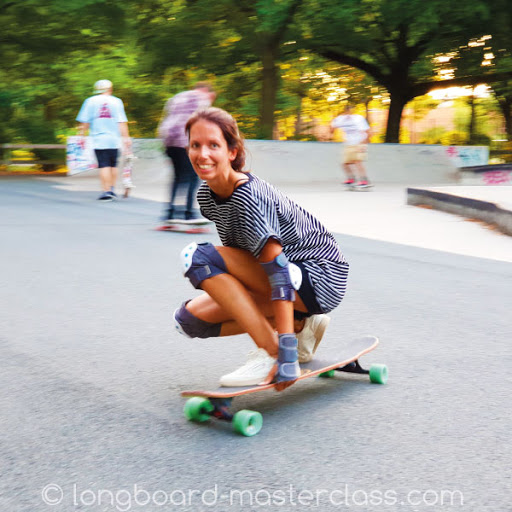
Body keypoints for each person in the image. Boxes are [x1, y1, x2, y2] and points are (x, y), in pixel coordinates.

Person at [173, 107, 349, 390]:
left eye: (213, 145)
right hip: (286, 278)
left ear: (231, 152)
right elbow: (243, 263)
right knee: (188, 321)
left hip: (319, 274)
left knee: (196, 257)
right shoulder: (207, 196)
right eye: (195, 145)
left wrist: (286, 358)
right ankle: (301, 324)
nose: (202, 154)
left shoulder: (248, 196)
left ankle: (275, 351)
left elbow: (277, 270)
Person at [158, 82, 216, 222]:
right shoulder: (203, 98)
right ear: (209, 92)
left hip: (169, 141)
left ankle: (170, 212)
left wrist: (165, 145)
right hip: (186, 142)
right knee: (193, 177)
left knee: (177, 177)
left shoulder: (176, 97)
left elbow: (167, 119)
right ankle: (189, 213)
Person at [76, 80, 131, 201]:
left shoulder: (90, 101)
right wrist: (126, 138)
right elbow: (122, 122)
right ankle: (112, 188)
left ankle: (106, 192)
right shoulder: (117, 101)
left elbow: (85, 122)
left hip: (99, 139)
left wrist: (82, 135)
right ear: (110, 89)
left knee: (104, 165)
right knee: (113, 165)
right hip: (114, 139)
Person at [330, 104, 371, 189]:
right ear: (344, 112)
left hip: (360, 142)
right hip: (348, 144)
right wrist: (331, 132)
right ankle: (351, 179)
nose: (349, 114)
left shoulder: (358, 119)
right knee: (345, 163)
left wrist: (364, 144)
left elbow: (367, 131)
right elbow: (332, 126)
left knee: (357, 162)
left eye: (350, 112)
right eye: (347, 112)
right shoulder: (341, 119)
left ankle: (364, 181)